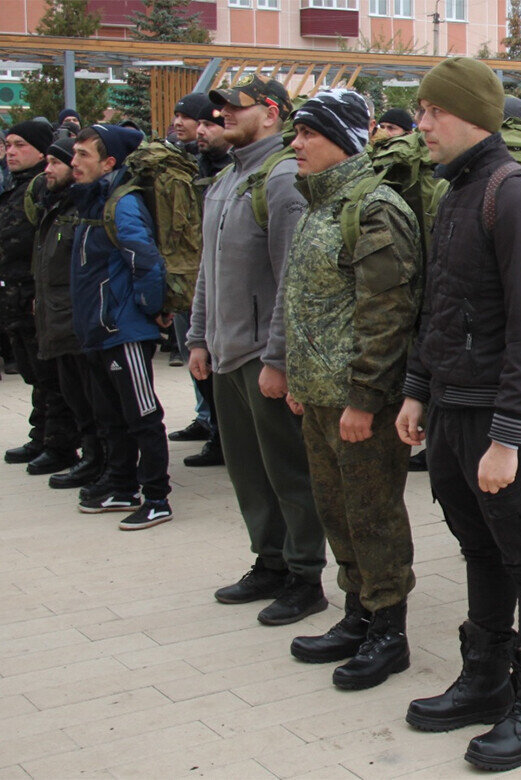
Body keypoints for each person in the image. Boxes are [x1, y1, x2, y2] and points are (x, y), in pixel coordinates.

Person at [396, 57, 521, 772]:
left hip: (505, 419)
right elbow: (439, 304)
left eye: (431, 111)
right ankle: (485, 678)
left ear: (468, 114)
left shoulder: (516, 194)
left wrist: (508, 437)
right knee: (480, 549)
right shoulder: (456, 193)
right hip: (452, 411)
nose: (421, 124)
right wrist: (416, 388)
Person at [281, 88, 422, 690]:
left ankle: (389, 630)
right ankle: (357, 612)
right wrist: (298, 379)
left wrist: (364, 399)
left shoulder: (375, 208)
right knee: (336, 509)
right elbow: (308, 304)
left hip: (358, 402)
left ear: (340, 140)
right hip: (317, 395)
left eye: (307, 134)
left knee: (373, 515)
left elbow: (388, 313)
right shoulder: (318, 204)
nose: (295, 145)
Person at [188, 73, 327, 625]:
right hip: (225, 353)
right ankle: (269, 562)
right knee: (248, 472)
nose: (221, 115)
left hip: (262, 359)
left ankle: (303, 574)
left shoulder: (283, 179)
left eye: (233, 108)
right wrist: (198, 335)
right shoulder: (227, 180)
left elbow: (294, 278)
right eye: (218, 108)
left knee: (288, 472)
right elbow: (208, 270)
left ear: (271, 113)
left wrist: (278, 360)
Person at [69, 124, 173, 529]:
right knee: (110, 415)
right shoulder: (93, 200)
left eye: (83, 155)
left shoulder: (122, 204)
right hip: (99, 330)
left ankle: (158, 496)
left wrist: (149, 308)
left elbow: (144, 260)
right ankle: (124, 486)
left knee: (142, 414)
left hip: (124, 330)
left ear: (109, 162)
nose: (73, 162)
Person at [1, 119, 78, 476]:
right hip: (16, 296)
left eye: (19, 145)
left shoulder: (42, 190)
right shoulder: (18, 189)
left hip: (39, 297)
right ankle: (43, 433)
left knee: (51, 374)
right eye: (8, 145)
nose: (11, 152)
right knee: (34, 372)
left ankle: (60, 443)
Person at [29, 138, 102, 491]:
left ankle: (98, 459)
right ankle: (89, 455)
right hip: (55, 319)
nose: (50, 170)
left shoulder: (80, 210)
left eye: (55, 163)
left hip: (78, 322)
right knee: (71, 394)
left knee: (92, 398)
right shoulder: (53, 209)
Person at [169, 98, 230, 469]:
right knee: (198, 360)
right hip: (194, 281)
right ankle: (210, 423)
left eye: (207, 123)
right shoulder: (194, 167)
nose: (197, 129)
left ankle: (223, 436)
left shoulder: (235, 173)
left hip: (221, 289)